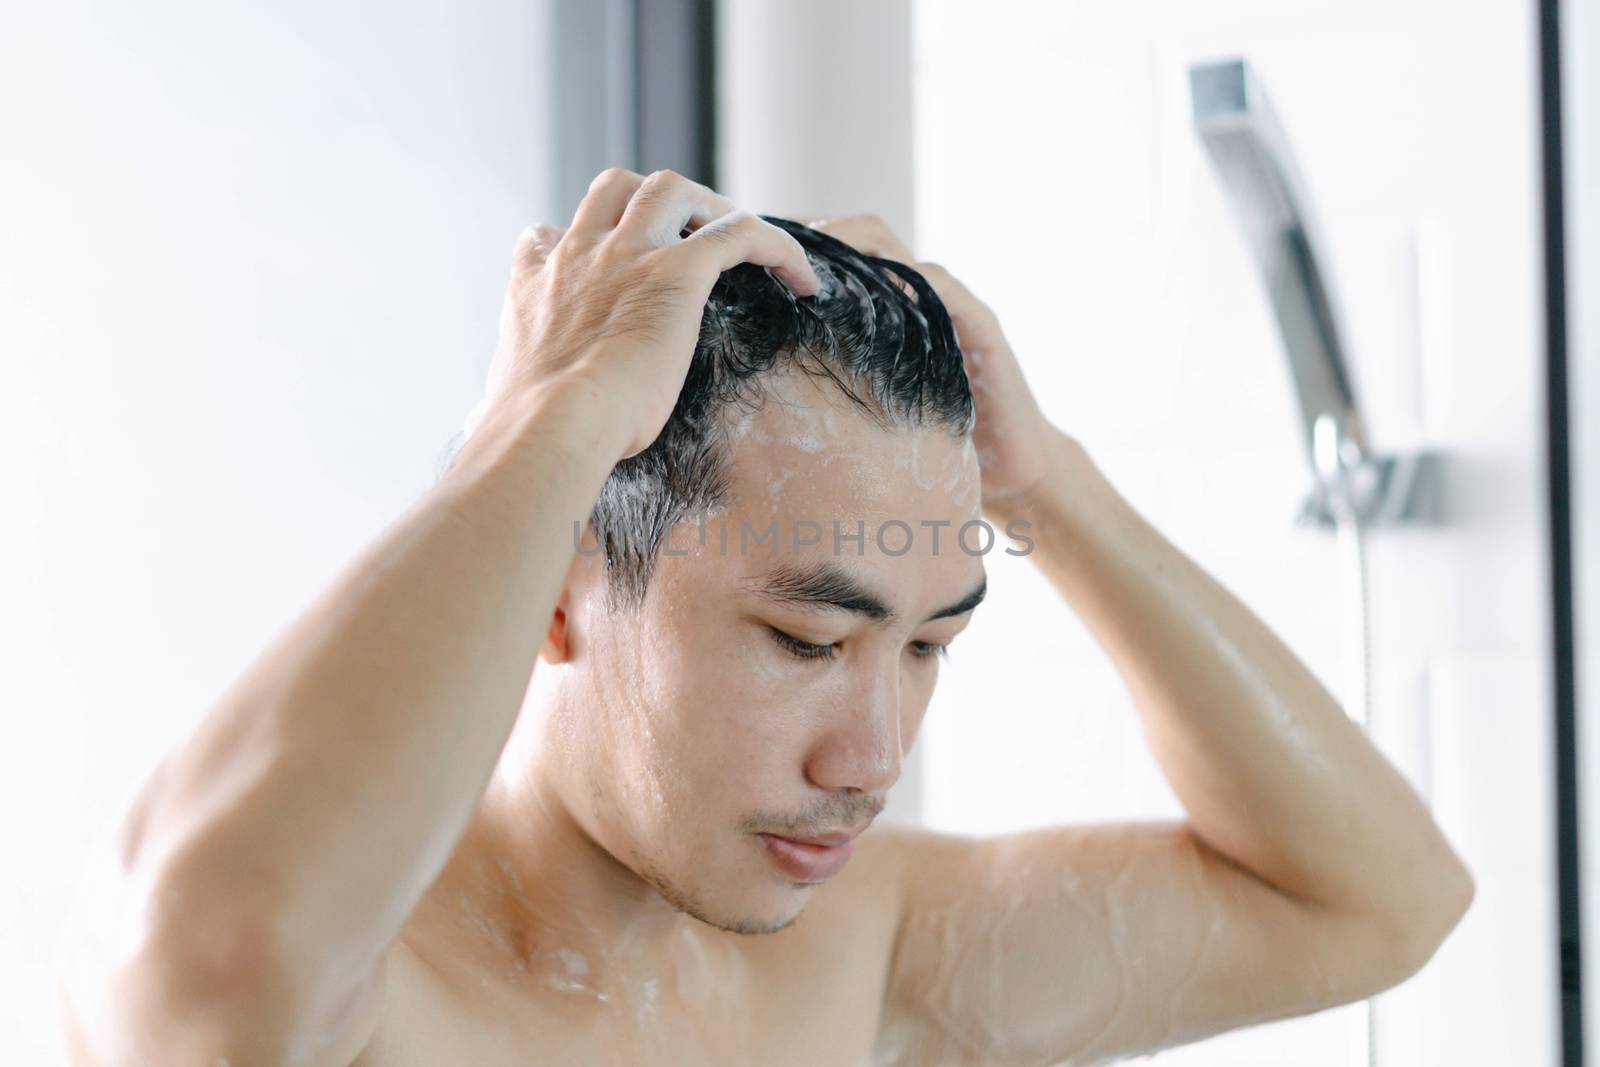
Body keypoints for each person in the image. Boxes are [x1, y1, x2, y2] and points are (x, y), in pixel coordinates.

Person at [54, 167, 1474, 1067]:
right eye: (808, 641)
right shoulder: (372, 1003)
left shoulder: (874, 961)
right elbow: (214, 952)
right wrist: (543, 429)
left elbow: (1379, 901)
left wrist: (1051, 483)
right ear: (561, 591)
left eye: (928, 648)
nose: (873, 757)